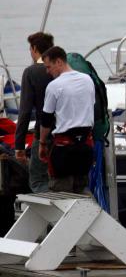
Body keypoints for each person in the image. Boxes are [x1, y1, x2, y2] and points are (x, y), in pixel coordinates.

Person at [38, 46, 95, 194]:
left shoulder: (54, 86)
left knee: (61, 194)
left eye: (48, 67)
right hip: (85, 148)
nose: (47, 71)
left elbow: (46, 120)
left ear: (59, 62)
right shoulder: (88, 80)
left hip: (64, 150)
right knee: (81, 191)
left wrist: (42, 143)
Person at [14, 32, 54, 192]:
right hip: (68, 136)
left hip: (44, 135)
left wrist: (19, 147)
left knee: (38, 180)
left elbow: (24, 112)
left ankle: (49, 216)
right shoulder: (62, 70)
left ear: (35, 48)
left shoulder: (32, 72)